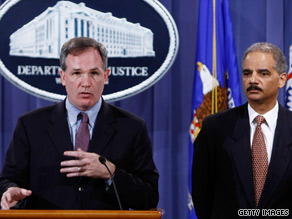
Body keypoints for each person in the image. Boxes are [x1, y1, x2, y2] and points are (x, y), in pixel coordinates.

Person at [0, 37, 159, 210]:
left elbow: (149, 197)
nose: (85, 83)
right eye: (77, 73)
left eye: (94, 73)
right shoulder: (30, 125)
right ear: (63, 77)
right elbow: (9, 181)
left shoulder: (132, 128)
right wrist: (10, 191)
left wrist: (111, 174)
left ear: (105, 76)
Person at [192, 42, 292, 218]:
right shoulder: (215, 128)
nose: (253, 80)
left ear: (282, 79)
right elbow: (202, 194)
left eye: (263, 73)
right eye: (247, 73)